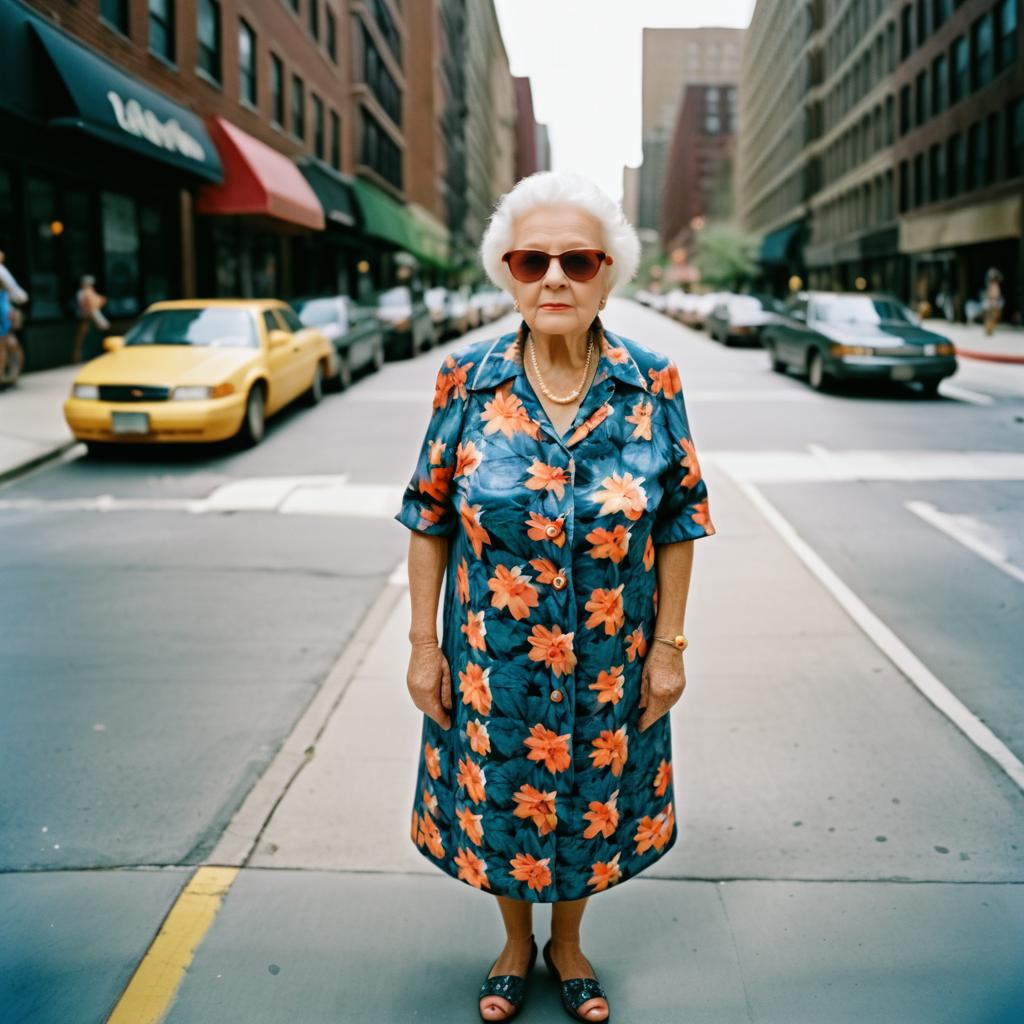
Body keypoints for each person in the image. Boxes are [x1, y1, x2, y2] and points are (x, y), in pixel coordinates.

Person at [395, 171, 716, 1023]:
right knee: (504, 805)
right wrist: (423, 647)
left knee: (588, 808)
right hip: (492, 665)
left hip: (614, 662)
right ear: (507, 272)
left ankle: (568, 944)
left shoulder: (654, 383)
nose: (554, 279)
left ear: (610, 272)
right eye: (532, 260)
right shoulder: (465, 380)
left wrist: (671, 648)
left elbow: (682, 516)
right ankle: (513, 944)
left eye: (577, 260)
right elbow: (427, 516)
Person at [0, 250, 28, 386]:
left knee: (5, 344)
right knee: (8, 344)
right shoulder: (2, 271)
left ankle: (8, 376)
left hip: (3, 312)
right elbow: (19, 295)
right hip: (4, 311)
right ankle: (10, 376)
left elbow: (17, 293)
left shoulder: (1, 271)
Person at [73, 275, 108, 365]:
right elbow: (91, 304)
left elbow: (100, 301)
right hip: (87, 318)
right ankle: (79, 359)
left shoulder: (88, 292)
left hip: (91, 318)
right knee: (83, 340)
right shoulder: (84, 293)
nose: (91, 286)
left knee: (93, 338)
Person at [983, 267, 1004, 336]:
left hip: (993, 302)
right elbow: (991, 294)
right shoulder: (992, 285)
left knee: (992, 316)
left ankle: (989, 330)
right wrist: (992, 302)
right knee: (990, 316)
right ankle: (988, 330)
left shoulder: (994, 284)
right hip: (992, 302)